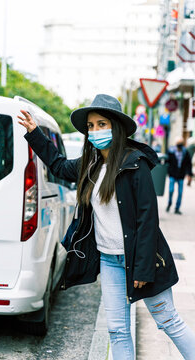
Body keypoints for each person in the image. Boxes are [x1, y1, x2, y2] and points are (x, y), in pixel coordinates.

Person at [18, 94, 195, 360]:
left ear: (117, 127)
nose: (95, 131)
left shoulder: (136, 164)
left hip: (141, 260)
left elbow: (148, 221)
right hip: (109, 262)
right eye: (91, 126)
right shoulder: (89, 166)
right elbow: (57, 165)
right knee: (117, 331)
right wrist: (34, 134)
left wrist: (143, 268)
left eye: (102, 124)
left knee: (168, 320)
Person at [166, 136, 193, 214]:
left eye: (181, 144)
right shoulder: (171, 151)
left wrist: (189, 174)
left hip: (181, 175)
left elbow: (188, 164)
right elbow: (167, 162)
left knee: (180, 193)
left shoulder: (185, 152)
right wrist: (168, 172)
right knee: (171, 191)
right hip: (172, 175)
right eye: (178, 144)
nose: (179, 146)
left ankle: (177, 208)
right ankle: (169, 203)